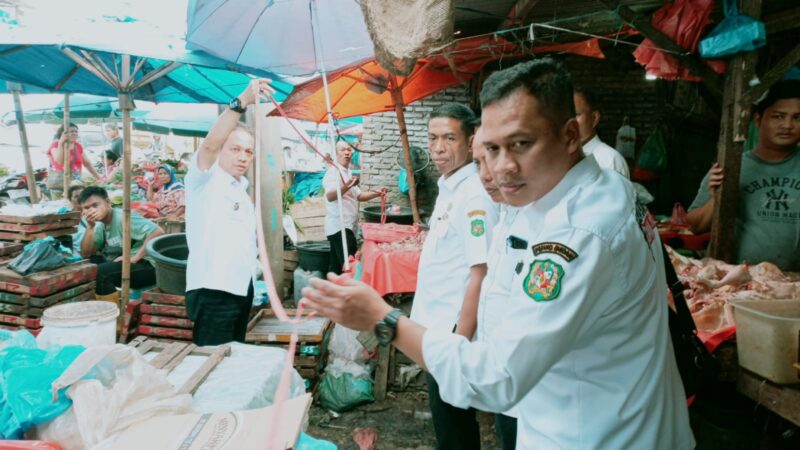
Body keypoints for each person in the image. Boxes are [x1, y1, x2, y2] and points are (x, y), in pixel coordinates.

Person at [301, 59, 693, 449]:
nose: (502, 167)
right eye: (490, 149)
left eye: (521, 144)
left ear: (571, 134)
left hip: (594, 432)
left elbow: (496, 378)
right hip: (612, 413)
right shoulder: (595, 190)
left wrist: (383, 318)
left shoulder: (576, 231)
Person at [406, 103, 498, 450]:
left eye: (449, 138)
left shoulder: (474, 195)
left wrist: (461, 342)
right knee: (448, 427)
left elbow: (481, 272)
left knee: (455, 431)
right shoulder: (450, 188)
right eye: (432, 138)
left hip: (452, 336)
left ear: (470, 139)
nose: (439, 147)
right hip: (436, 334)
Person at [184, 78, 274, 346]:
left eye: (248, 151)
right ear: (221, 150)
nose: (243, 157)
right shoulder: (203, 180)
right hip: (213, 290)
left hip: (240, 289)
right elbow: (209, 145)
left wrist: (255, 271)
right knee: (212, 365)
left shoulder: (241, 190)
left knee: (231, 362)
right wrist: (242, 101)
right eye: (234, 149)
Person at [687, 80, 800, 271]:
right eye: (778, 116)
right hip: (739, 282)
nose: (787, 125)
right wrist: (717, 198)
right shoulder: (731, 167)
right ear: (758, 120)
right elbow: (695, 225)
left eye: (797, 118)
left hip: (793, 286)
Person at [470, 122, 516, 450]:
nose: (487, 174)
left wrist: (390, 323)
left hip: (525, 388)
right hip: (506, 386)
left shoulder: (567, 229)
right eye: (478, 161)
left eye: (494, 155)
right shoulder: (507, 215)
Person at [78, 186, 163, 301]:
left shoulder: (123, 217)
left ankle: (113, 314)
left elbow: (158, 232)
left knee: (101, 273)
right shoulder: (99, 226)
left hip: (147, 266)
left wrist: (135, 257)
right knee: (88, 266)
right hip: (121, 262)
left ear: (107, 202)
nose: (91, 210)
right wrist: (90, 226)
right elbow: (86, 254)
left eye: (95, 205)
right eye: (86, 208)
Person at [323, 140, 385, 274]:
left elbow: (359, 196)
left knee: (336, 267)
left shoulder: (348, 172)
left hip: (347, 226)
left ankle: (332, 291)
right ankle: (347, 292)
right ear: (336, 153)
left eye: (349, 150)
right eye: (343, 150)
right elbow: (330, 196)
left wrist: (377, 193)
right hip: (340, 227)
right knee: (349, 267)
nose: (347, 153)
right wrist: (347, 186)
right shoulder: (333, 172)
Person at [574, 86, 630, 178]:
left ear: (594, 118)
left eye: (576, 115)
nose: (569, 122)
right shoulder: (561, 159)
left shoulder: (610, 160)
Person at [46, 123, 102, 199]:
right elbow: (59, 161)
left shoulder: (78, 146)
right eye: (71, 131)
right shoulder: (55, 144)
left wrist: (98, 177)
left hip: (75, 184)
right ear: (63, 133)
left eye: (76, 131)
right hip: (59, 183)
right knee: (62, 207)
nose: (74, 133)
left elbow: (87, 163)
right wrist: (61, 143)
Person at [68, 184, 87, 256]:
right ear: (70, 200)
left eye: (82, 195)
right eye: (76, 196)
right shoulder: (66, 218)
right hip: (75, 254)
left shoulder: (94, 214)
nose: (80, 198)